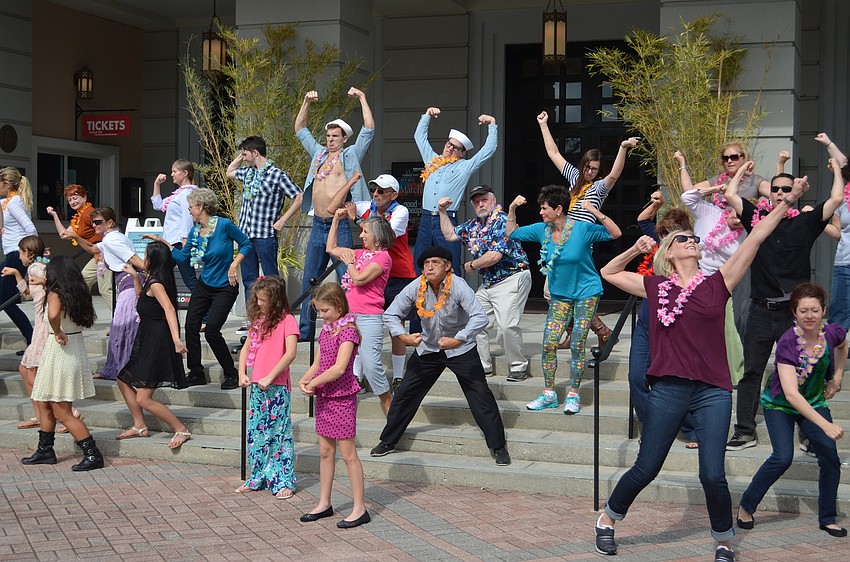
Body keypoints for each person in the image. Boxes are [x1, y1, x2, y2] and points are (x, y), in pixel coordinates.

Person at [593, 178, 803, 561]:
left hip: (712, 390)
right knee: (648, 466)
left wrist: (784, 206)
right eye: (683, 239)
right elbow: (608, 272)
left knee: (712, 473)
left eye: (694, 238)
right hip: (670, 388)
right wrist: (635, 248)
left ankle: (723, 539)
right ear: (670, 253)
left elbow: (753, 240)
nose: (692, 241)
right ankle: (607, 519)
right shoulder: (655, 287)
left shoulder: (717, 284)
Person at [724, 157, 844, 451]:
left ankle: (808, 432)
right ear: (770, 192)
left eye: (785, 189)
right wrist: (743, 171)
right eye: (775, 189)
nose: (779, 193)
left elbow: (837, 198)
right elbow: (729, 194)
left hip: (795, 315)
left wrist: (837, 170)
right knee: (752, 370)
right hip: (760, 310)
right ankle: (744, 431)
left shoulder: (805, 222)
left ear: (795, 192)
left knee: (804, 370)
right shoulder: (756, 219)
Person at [371, 246, 511, 466]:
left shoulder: (459, 286)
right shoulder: (417, 286)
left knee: (480, 395)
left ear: (447, 266)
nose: (429, 267)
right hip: (428, 348)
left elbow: (480, 317)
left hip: (460, 349)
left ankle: (498, 446)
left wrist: (460, 338)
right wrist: (403, 336)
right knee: (406, 394)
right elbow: (390, 314)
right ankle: (388, 441)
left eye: (435, 262)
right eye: (426, 264)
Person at [737, 283, 847, 538]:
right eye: (803, 311)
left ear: (824, 311)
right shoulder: (788, 342)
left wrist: (838, 376)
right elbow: (791, 394)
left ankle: (828, 518)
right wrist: (825, 424)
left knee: (830, 458)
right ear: (794, 313)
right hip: (781, 405)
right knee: (782, 457)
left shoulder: (831, 333)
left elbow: (843, 345)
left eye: (815, 310)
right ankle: (746, 505)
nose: (809, 316)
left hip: (815, 400)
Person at [507, 186, 621, 414]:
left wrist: (595, 211)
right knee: (549, 342)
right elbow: (512, 233)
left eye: (544, 208)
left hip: (586, 293)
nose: (540, 212)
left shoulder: (583, 229)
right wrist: (511, 209)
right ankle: (549, 393)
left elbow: (615, 233)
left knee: (578, 342)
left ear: (559, 209)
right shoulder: (542, 230)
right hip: (560, 296)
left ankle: (573, 394)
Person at [537, 111, 640, 346]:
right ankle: (591, 333)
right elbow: (553, 153)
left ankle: (597, 332)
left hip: (580, 244)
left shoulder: (598, 189)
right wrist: (543, 125)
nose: (590, 172)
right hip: (559, 240)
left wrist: (623, 148)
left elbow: (614, 174)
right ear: (582, 165)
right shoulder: (573, 178)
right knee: (555, 291)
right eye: (588, 167)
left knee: (555, 291)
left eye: (594, 169)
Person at [145, 188, 253, 390]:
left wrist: (234, 264)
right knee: (191, 326)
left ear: (201, 207)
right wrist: (163, 242)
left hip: (225, 287)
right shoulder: (195, 231)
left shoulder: (224, 225)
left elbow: (246, 245)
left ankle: (231, 374)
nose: (190, 210)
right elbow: (182, 257)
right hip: (204, 285)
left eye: (191, 207)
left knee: (212, 330)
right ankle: (196, 372)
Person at [294, 87, 375, 340]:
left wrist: (362, 98)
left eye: (335, 136)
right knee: (311, 277)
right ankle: (306, 333)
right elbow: (300, 130)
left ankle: (347, 328)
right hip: (318, 223)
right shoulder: (318, 154)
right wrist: (306, 102)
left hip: (338, 224)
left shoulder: (350, 154)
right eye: (328, 135)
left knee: (344, 277)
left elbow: (369, 130)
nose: (330, 139)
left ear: (344, 139)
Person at [437, 185, 532, 381]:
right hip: (489, 283)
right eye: (476, 201)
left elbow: (494, 256)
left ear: (493, 200)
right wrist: (442, 212)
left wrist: (471, 264)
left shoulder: (502, 220)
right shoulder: (473, 225)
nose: (480, 204)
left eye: (484, 200)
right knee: (474, 321)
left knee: (506, 326)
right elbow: (450, 234)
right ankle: (483, 364)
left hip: (512, 277)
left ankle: (517, 365)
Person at [335, 173, 417, 390]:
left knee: (395, 324)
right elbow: (333, 206)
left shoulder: (401, 211)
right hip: (372, 272)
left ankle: (398, 376)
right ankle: (357, 376)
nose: (376, 194)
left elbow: (385, 234)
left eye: (382, 190)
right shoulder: (367, 206)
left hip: (398, 274)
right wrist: (349, 184)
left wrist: (354, 219)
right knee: (360, 323)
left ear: (394, 194)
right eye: (374, 190)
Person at [298, 283, 369, 528]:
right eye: (318, 311)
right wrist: (306, 379)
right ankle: (324, 502)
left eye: (325, 310)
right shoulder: (326, 330)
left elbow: (339, 368)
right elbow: (319, 362)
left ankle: (359, 508)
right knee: (325, 451)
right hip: (325, 396)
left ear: (339, 307)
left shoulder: (348, 332)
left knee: (348, 454)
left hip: (342, 396)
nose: (322, 316)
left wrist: (314, 383)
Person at [22, 255, 103, 471]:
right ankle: (45, 449)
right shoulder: (77, 292)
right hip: (73, 347)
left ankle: (93, 454)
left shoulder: (56, 294)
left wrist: (57, 331)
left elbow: (53, 314)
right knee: (44, 401)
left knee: (61, 410)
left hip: (60, 349)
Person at [114, 241, 191, 448]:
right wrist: (134, 277)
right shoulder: (150, 280)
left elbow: (170, 309)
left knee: (144, 398)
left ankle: (181, 429)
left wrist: (176, 339)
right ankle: (139, 425)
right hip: (147, 338)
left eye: (146, 255)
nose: (143, 258)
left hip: (157, 341)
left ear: (153, 259)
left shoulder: (157, 283)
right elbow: (142, 301)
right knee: (123, 379)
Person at [627, 202, 694, 437]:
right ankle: (653, 427)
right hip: (648, 320)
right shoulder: (657, 244)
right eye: (662, 233)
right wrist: (656, 204)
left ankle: (689, 427)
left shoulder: (692, 251)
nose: (664, 238)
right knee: (636, 377)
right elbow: (643, 220)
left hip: (677, 324)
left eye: (670, 234)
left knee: (676, 380)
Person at [226, 136, 302, 334]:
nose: (243, 156)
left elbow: (298, 196)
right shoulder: (248, 173)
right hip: (245, 233)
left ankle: (277, 315)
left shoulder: (276, 175)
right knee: (249, 278)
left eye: (245, 153)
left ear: (255, 152)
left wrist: (283, 219)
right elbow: (229, 172)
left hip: (265, 233)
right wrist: (241, 157)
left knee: (271, 277)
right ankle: (254, 317)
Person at [62, 207, 145, 381]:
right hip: (127, 286)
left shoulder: (112, 241)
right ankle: (121, 369)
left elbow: (136, 260)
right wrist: (76, 237)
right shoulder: (112, 238)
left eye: (98, 222)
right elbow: (93, 248)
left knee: (123, 330)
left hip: (130, 288)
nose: (94, 225)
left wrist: (152, 273)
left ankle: (122, 370)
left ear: (110, 222)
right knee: (123, 330)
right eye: (93, 222)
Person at [413, 107, 498, 274]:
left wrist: (492, 124)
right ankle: (421, 298)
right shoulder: (432, 160)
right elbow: (419, 137)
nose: (450, 148)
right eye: (449, 143)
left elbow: (488, 150)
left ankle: (454, 298)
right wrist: (427, 115)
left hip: (447, 218)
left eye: (455, 148)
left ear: (462, 153)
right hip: (425, 218)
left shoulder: (464, 167)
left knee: (450, 263)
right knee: (420, 261)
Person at [236, 276, 299, 500]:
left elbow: (290, 353)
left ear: (275, 299)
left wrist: (271, 376)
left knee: (279, 434)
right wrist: (242, 372)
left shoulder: (288, 320)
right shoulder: (259, 321)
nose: (259, 303)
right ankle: (258, 476)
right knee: (257, 433)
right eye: (257, 299)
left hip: (277, 386)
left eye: (263, 299)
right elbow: (246, 348)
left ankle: (283, 479)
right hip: (257, 387)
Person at [327, 209, 395, 414]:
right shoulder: (358, 253)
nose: (361, 235)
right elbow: (330, 248)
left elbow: (359, 279)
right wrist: (336, 221)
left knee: (372, 367)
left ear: (377, 235)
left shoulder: (383, 257)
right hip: (347, 318)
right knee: (340, 364)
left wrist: (349, 263)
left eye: (365, 232)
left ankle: (392, 414)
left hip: (368, 318)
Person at [2, 236, 50, 430]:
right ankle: (39, 414)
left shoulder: (36, 269)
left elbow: (49, 285)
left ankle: (66, 413)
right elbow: (29, 295)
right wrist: (16, 274)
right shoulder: (35, 268)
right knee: (25, 370)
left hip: (44, 327)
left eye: (21, 252)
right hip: (40, 325)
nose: (18, 256)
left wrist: (44, 280)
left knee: (33, 375)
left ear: (28, 253)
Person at [46, 184, 112, 309]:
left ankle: (124, 319)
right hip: (96, 255)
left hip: (105, 254)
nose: (72, 202)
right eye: (69, 200)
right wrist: (55, 215)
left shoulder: (89, 213)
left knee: (105, 289)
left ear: (84, 197)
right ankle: (80, 313)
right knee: (83, 282)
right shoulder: (78, 217)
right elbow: (64, 234)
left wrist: (108, 244)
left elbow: (106, 227)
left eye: (75, 197)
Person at [816, 133, 850, 331]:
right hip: (845, 264)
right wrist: (815, 218)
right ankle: (832, 358)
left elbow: (841, 162)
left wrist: (830, 143)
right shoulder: (842, 198)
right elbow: (837, 232)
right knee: (839, 316)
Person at [0, 167, 36, 348]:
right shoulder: (9, 201)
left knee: (6, 301)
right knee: (6, 300)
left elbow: (30, 230)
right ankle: (31, 340)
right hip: (13, 253)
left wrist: (28, 254)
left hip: (16, 254)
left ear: (7, 184)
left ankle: (32, 340)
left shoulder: (14, 203)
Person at [151, 160, 198, 292]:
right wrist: (156, 184)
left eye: (175, 171)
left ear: (185, 173)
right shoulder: (179, 193)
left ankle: (206, 308)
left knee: (189, 278)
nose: (172, 174)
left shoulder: (187, 194)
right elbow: (158, 205)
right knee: (161, 275)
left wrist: (185, 241)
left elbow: (187, 218)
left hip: (178, 242)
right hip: (170, 241)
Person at [691, 140, 772, 199]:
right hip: (720, 221)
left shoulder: (754, 180)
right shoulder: (718, 181)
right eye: (725, 158)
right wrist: (682, 165)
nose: (729, 161)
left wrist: (780, 164)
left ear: (743, 158)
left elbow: (777, 194)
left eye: (734, 157)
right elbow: (690, 192)